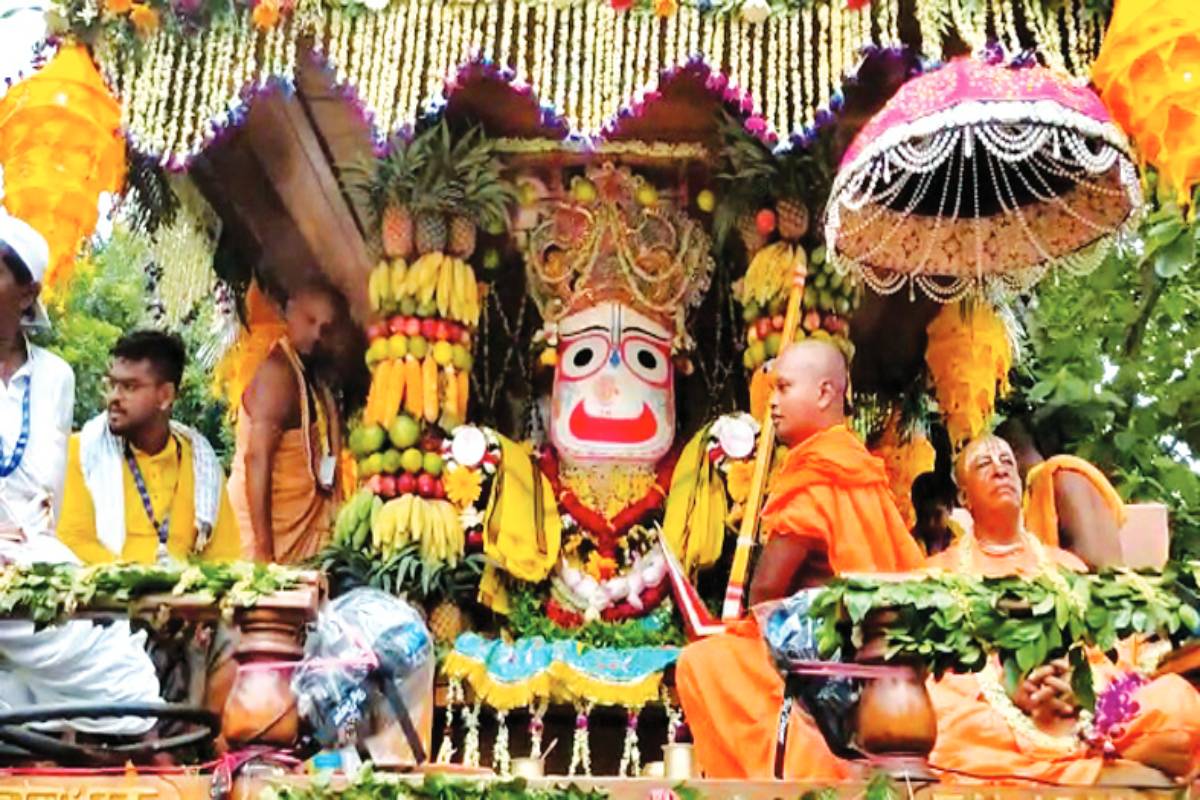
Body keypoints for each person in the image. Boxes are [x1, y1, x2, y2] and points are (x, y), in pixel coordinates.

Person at [675, 340, 925, 780]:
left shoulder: (817, 474)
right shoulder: (856, 467)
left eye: (784, 388)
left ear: (825, 393)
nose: (772, 402)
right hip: (881, 654)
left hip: (831, 665)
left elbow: (766, 593)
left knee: (704, 662)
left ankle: (805, 772)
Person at [926, 435, 1200, 784]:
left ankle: (1089, 759)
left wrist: (1079, 686)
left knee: (1176, 701)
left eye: (1008, 462)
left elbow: (1112, 653)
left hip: (1079, 706)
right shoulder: (938, 572)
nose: (1000, 470)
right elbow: (934, 667)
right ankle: (1102, 766)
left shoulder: (1067, 567)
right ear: (964, 497)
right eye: (985, 464)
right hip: (995, 710)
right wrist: (1008, 686)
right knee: (943, 717)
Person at [0, 215, 161, 734]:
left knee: (130, 682)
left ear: (27, 294)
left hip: (31, 560)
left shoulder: (55, 377)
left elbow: (47, 498)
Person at [57, 330, 242, 564]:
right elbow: (73, 543)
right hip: (104, 598)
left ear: (165, 396)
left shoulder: (201, 465)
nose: (114, 397)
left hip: (186, 597)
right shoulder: (81, 453)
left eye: (130, 387)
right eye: (112, 384)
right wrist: (143, 583)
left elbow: (224, 559)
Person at [228, 284, 344, 563]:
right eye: (310, 321)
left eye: (325, 328)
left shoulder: (310, 374)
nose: (317, 335)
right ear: (289, 311)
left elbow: (327, 453)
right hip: (267, 543)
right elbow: (257, 459)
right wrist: (264, 552)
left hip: (301, 536)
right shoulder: (277, 373)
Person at [996, 417, 1124, 569]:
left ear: (1013, 453)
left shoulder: (1061, 476)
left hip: (1092, 584)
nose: (999, 473)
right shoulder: (1058, 479)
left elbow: (1091, 559)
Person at [911, 471, 959, 556]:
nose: (930, 523)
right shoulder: (906, 545)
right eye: (923, 516)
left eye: (937, 515)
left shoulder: (964, 545)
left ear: (950, 508)